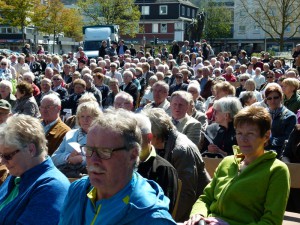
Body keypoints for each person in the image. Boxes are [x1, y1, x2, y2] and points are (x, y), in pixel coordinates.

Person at [58, 109, 176, 225]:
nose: (93, 160)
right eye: (89, 150)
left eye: (104, 152)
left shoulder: (151, 219)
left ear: (133, 155)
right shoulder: (77, 190)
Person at [184, 106, 290, 225]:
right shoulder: (227, 162)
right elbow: (205, 198)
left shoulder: (276, 170)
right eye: (239, 133)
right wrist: (198, 215)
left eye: (250, 133)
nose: (243, 139)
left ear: (266, 136)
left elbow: (272, 221)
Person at [143, 108, 211, 222]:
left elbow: (186, 194)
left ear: (155, 135)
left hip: (192, 211)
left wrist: (169, 220)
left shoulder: (180, 150)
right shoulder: (163, 145)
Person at [0, 115, 70, 224]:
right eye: (1, 155)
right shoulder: (15, 176)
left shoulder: (52, 187)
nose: (3, 162)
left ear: (31, 150)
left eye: (7, 156)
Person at [52, 101, 101, 178]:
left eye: (89, 116)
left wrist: (82, 160)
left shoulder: (101, 136)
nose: (85, 120)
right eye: (82, 116)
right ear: (78, 118)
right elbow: (54, 158)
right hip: (66, 175)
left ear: (96, 118)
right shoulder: (70, 134)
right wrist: (68, 157)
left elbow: (104, 159)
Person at [264, 83, 297, 157]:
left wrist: (269, 140)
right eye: (269, 98)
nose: (272, 101)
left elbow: (288, 139)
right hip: (261, 151)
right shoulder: (262, 114)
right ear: (266, 100)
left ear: (281, 98)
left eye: (275, 97)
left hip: (279, 153)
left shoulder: (290, 116)